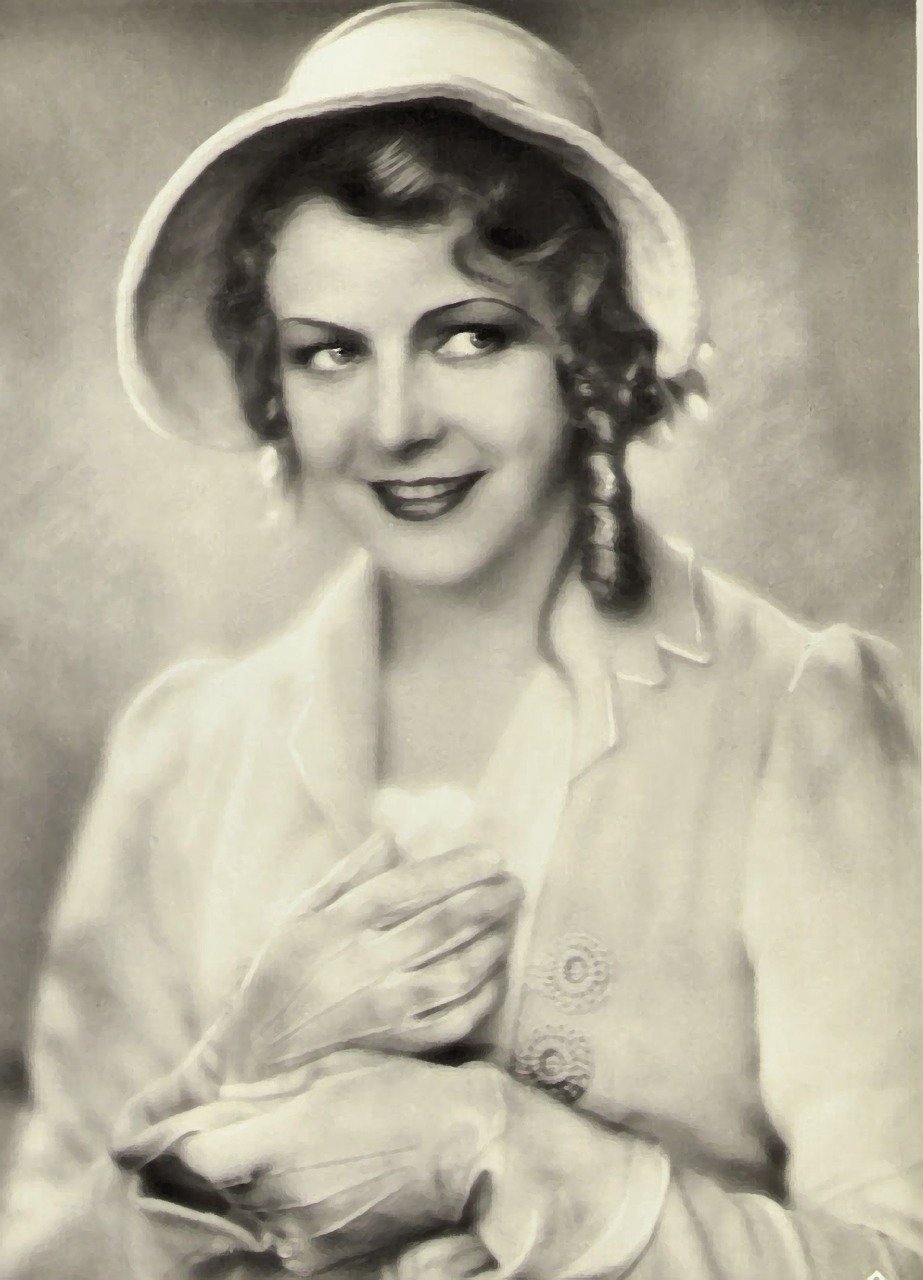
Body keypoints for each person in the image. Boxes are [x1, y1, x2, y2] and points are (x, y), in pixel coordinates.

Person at [1, 3, 920, 1278]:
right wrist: (228, 1070)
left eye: (468, 336)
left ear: (587, 351)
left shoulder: (789, 712)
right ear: (274, 385)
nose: (395, 424)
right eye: (329, 353)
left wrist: (496, 1148)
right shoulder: (190, 752)